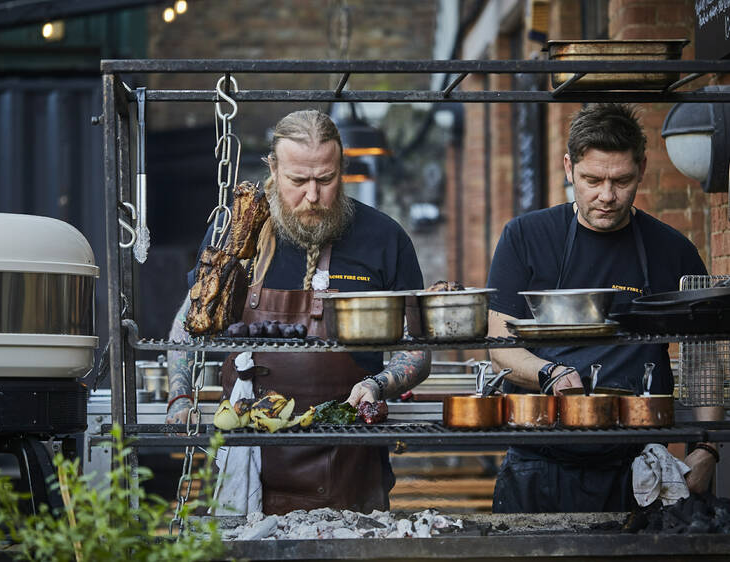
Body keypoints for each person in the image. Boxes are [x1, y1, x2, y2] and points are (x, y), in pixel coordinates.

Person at [165, 109, 430, 515]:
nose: (312, 196)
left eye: (325, 180)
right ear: (273, 167)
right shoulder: (237, 236)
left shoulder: (384, 239)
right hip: (245, 453)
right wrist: (181, 397)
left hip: (348, 461)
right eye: (298, 180)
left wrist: (379, 385)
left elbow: (417, 348)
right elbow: (189, 324)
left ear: (341, 167)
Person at [486, 103, 718, 513]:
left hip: (641, 467)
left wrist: (706, 447)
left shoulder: (673, 250)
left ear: (642, 168)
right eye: (592, 180)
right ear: (567, 167)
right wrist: (549, 372)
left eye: (621, 181)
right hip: (539, 462)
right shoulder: (526, 236)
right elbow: (499, 343)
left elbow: (702, 359)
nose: (607, 196)